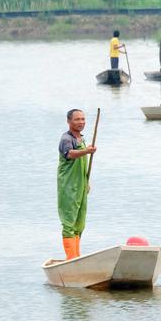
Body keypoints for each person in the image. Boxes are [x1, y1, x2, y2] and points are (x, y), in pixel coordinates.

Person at [57, 109, 96, 260]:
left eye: (83, 119)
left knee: (80, 223)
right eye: (77, 119)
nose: (81, 122)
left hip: (80, 185)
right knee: (69, 222)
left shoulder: (82, 138)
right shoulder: (66, 139)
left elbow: (82, 164)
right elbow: (70, 154)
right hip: (68, 187)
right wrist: (86, 151)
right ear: (69, 121)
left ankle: (77, 256)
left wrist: (86, 182)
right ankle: (71, 258)